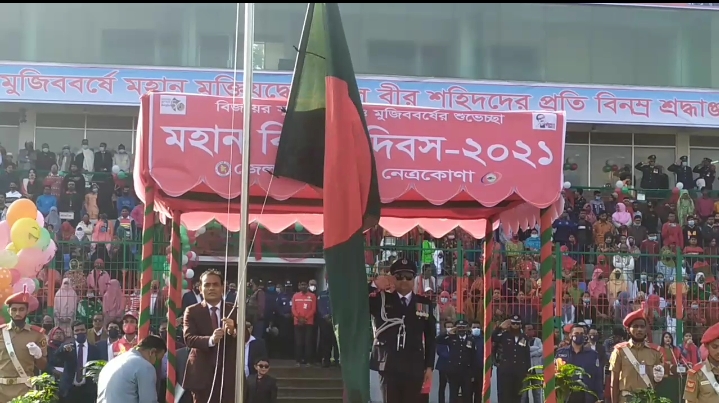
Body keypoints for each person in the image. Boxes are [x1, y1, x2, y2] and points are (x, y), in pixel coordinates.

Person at [370, 258, 436, 403]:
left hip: (414, 366)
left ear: (414, 279)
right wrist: (374, 285)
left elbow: (431, 337)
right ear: (392, 278)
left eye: (408, 276)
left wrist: (429, 367)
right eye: (399, 276)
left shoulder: (423, 303)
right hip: (389, 366)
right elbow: (359, 302)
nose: (404, 280)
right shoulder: (382, 300)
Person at [182, 269, 238, 403]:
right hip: (202, 375)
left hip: (228, 375)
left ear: (223, 287)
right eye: (207, 285)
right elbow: (188, 338)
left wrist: (233, 330)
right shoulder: (192, 311)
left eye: (215, 284)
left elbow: (247, 337)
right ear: (200, 289)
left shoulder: (234, 310)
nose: (211, 288)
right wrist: (211, 340)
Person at [0, 290, 48, 403]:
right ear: (9, 311)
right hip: (1, 391)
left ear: (27, 311)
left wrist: (38, 355)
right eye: (14, 309)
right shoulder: (1, 332)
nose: (17, 313)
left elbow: (43, 366)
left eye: (21, 309)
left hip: (24, 390)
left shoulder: (37, 334)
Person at [609, 308, 665, 403]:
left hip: (647, 399)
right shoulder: (619, 351)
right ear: (628, 329)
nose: (639, 329)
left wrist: (658, 379)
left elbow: (658, 382)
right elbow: (614, 382)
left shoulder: (655, 352)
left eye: (642, 326)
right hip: (626, 399)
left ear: (646, 330)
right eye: (635, 326)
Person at [96, 335, 167, 403]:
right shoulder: (145, 366)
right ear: (152, 352)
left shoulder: (112, 363)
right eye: (158, 360)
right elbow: (148, 401)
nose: (157, 364)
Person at [555, 324, 603, 403]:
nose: (579, 336)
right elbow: (556, 374)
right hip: (566, 397)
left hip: (587, 396)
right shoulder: (561, 353)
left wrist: (599, 398)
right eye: (576, 333)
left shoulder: (592, 355)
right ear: (570, 335)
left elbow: (598, 377)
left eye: (581, 334)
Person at [55, 320, 101, 403]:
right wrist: (64, 350)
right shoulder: (67, 346)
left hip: (87, 391)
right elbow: (57, 357)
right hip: (69, 390)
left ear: (86, 331)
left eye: (82, 330)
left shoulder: (94, 349)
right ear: (73, 333)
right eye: (77, 330)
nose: (80, 332)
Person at [492, 315, 531, 403]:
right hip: (505, 371)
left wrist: (528, 370)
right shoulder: (504, 336)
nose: (515, 326)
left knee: (517, 395)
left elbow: (527, 354)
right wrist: (500, 327)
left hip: (519, 371)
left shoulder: (524, 337)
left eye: (517, 324)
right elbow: (493, 338)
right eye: (513, 323)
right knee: (504, 394)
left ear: (520, 325)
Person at [436, 319, 476, 403]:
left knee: (467, 396)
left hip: (466, 373)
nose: (461, 329)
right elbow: (438, 340)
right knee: (453, 396)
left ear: (466, 328)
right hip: (454, 373)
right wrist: (448, 332)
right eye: (459, 327)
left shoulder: (471, 339)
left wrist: (472, 374)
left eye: (463, 327)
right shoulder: (451, 338)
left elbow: (473, 357)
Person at [683, 321, 719, 403]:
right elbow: (690, 400)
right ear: (706, 346)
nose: (718, 351)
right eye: (715, 346)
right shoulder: (697, 373)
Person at [291, 280, 317, 367]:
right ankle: (298, 360)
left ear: (307, 286)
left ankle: (308, 361)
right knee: (299, 342)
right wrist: (299, 318)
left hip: (308, 322)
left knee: (308, 342)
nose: (303, 286)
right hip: (297, 322)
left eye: (305, 285)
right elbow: (293, 309)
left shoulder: (312, 296)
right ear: (299, 286)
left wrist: (305, 318)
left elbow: (313, 309)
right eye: (301, 285)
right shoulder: (295, 296)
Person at [317, 282, 339, 367]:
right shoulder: (322, 294)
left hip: (336, 320)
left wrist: (334, 317)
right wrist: (325, 315)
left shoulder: (338, 295)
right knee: (326, 341)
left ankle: (337, 360)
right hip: (325, 321)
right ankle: (326, 360)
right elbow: (320, 306)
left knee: (336, 341)